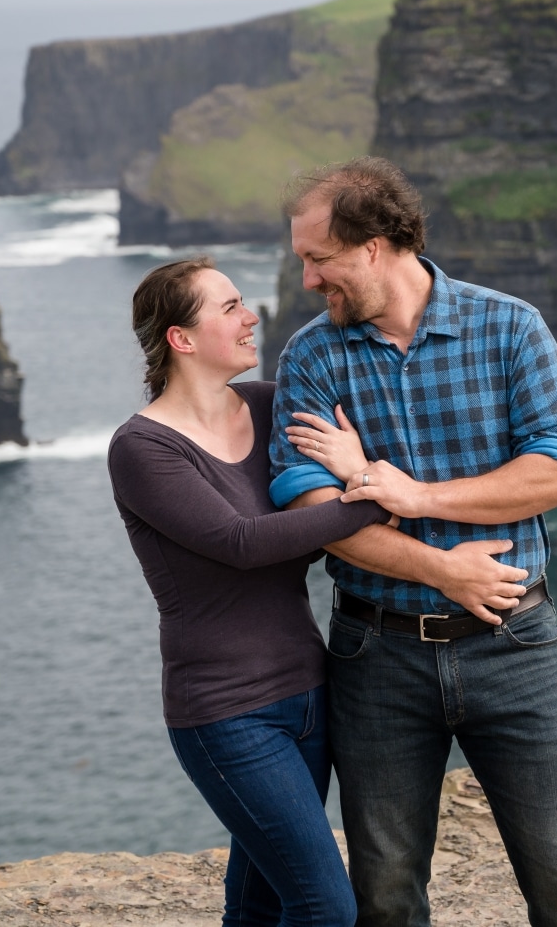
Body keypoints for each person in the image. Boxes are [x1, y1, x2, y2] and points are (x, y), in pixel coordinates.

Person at [269, 156, 557, 926]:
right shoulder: (311, 356)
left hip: (516, 644)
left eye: (317, 260)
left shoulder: (508, 326)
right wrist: (444, 569)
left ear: (375, 245)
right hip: (376, 656)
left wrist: (407, 492)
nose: (306, 282)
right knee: (386, 898)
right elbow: (312, 510)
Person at [107, 257, 390, 927]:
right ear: (181, 338)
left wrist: (365, 479)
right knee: (325, 907)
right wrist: (381, 499)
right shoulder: (142, 448)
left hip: (313, 692)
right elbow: (242, 542)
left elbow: (329, 495)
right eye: (230, 307)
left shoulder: (271, 406)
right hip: (228, 713)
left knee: (262, 900)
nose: (252, 316)